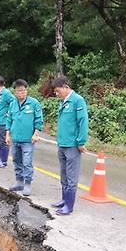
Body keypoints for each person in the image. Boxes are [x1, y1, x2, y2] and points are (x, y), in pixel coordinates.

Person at [51, 76, 89, 216]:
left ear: (66, 87)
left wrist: (81, 141)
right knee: (64, 175)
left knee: (72, 176)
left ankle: (69, 205)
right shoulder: (63, 102)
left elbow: (83, 121)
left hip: (72, 145)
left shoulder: (78, 100)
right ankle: (64, 199)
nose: (56, 94)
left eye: (58, 90)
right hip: (62, 144)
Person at [5, 79, 43, 197]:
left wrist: (36, 133)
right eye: (17, 90)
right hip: (15, 138)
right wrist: (7, 135)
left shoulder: (34, 103)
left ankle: (27, 184)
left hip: (28, 140)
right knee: (16, 160)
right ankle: (19, 182)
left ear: (26, 90)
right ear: (15, 92)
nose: (20, 92)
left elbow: (39, 119)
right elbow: (9, 120)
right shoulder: (13, 104)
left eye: (22, 90)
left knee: (27, 162)